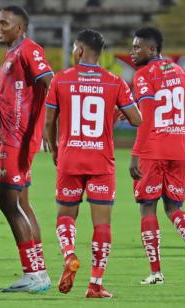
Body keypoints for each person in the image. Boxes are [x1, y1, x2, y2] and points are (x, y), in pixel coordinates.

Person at [44, 29, 142, 298]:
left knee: (65, 216)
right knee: (102, 226)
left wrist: (54, 149)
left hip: (69, 157)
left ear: (80, 50)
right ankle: (95, 285)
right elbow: (137, 119)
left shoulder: (60, 80)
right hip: (101, 160)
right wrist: (114, 114)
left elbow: (49, 123)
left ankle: (69, 254)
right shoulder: (114, 81)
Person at [128, 27, 185, 285]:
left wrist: (136, 153)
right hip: (176, 150)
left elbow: (146, 116)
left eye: (137, 47)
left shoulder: (142, 75)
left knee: (147, 207)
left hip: (151, 150)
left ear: (152, 49)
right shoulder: (179, 71)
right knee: (174, 207)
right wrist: (182, 138)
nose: (132, 51)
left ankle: (156, 272)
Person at [0, 5, 53, 292]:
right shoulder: (11, 54)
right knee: (23, 204)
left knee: (7, 203)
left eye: (4, 23)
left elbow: (50, 83)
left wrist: (47, 127)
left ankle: (33, 273)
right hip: (15, 138)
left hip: (16, 141)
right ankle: (38, 273)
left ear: (19, 27)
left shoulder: (29, 49)